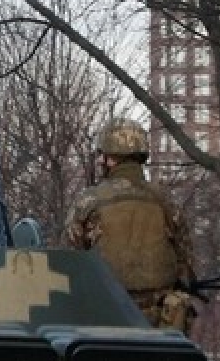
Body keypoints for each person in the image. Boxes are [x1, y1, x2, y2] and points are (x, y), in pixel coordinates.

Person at [64, 118, 197, 332]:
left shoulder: (88, 202)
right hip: (159, 327)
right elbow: (187, 263)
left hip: (104, 322)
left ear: (110, 160)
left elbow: (69, 264)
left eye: (102, 155)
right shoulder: (165, 202)